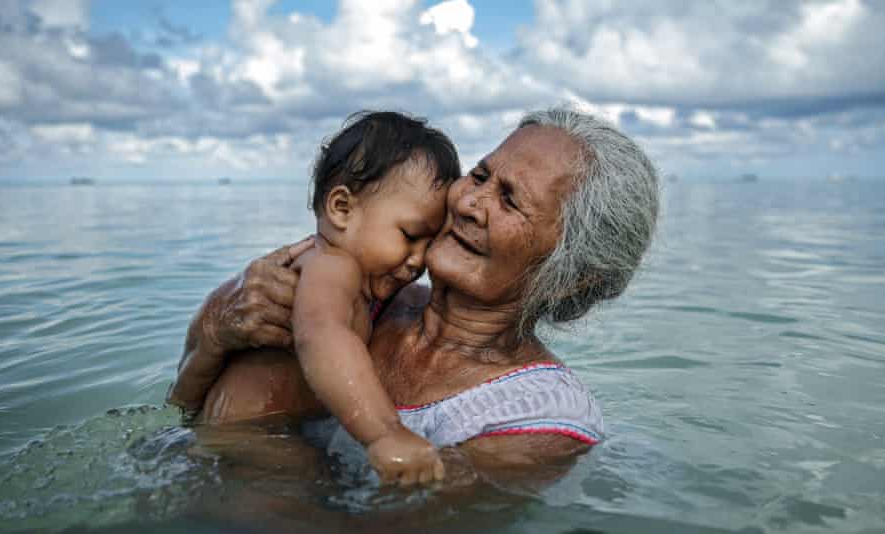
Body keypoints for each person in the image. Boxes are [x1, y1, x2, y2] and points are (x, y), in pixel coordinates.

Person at [167, 105, 659, 485]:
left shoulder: (540, 424)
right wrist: (215, 331)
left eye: (509, 199)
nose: (468, 203)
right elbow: (178, 416)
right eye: (481, 176)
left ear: (572, 275)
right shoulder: (369, 293)